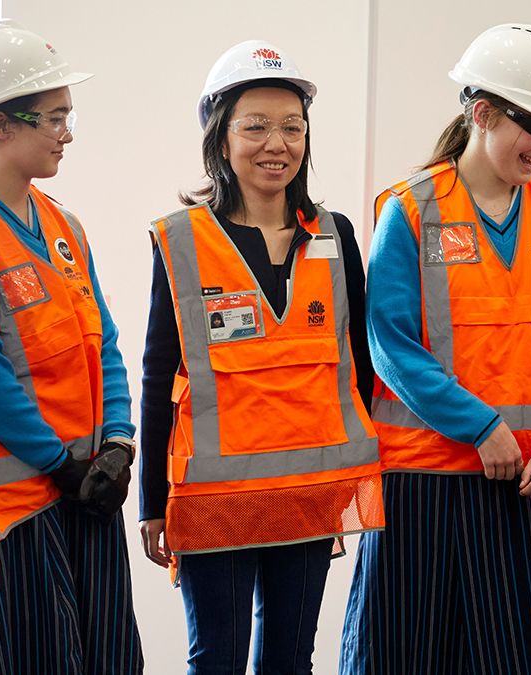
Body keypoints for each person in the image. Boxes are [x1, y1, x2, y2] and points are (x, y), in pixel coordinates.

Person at [340, 23, 531, 675]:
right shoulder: (410, 210)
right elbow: (391, 345)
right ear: (482, 113)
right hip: (428, 486)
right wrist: (480, 426)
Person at [138, 40, 384, 675]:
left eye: (292, 127)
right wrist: (149, 504)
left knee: (290, 660)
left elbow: (358, 362)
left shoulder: (335, 235)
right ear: (222, 140)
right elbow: (159, 372)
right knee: (214, 659)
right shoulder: (184, 239)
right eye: (256, 127)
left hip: (307, 494)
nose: (277, 143)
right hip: (214, 498)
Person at [0, 21, 142, 673]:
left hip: (86, 493)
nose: (67, 132)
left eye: (69, 115)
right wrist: (58, 461)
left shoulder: (63, 223)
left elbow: (106, 343)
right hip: (5, 513)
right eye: (54, 117)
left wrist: (119, 444)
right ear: (1, 125)